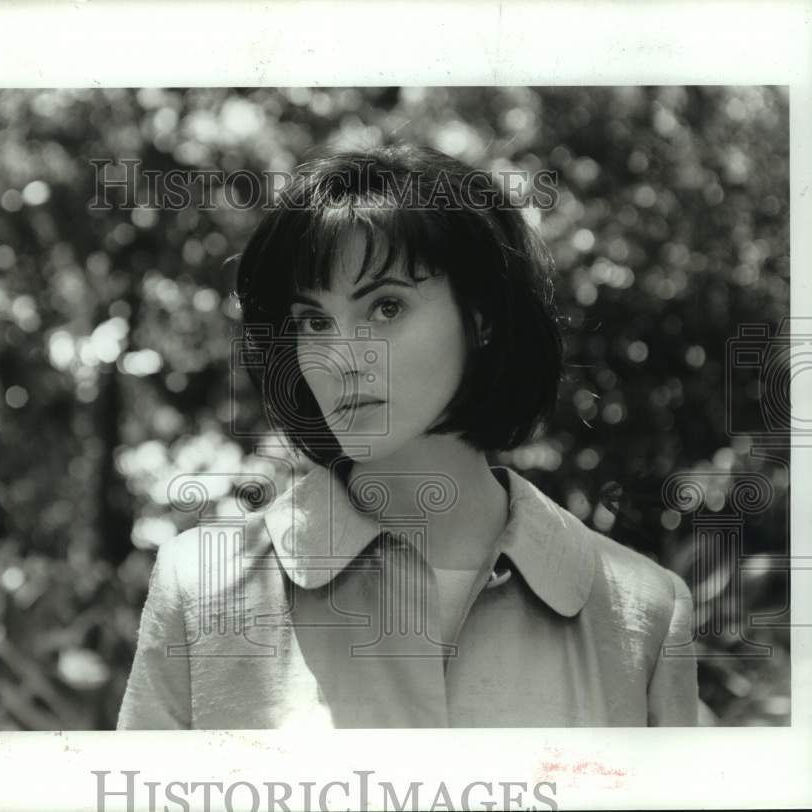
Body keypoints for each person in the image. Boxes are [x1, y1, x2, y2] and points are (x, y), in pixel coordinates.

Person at [117, 144, 699, 729]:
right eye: (314, 322)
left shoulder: (644, 612)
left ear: (482, 317)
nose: (343, 357)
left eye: (386, 307)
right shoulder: (200, 590)